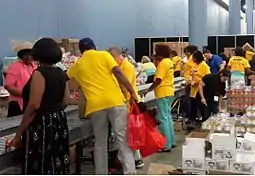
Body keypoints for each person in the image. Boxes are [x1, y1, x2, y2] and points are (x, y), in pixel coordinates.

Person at [66, 38, 137, 175]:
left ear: (81, 51)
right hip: (115, 102)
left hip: (96, 106)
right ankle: (130, 172)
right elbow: (118, 72)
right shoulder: (104, 55)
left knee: (100, 143)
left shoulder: (78, 64)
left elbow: (66, 79)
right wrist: (132, 92)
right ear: (95, 46)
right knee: (122, 139)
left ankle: (101, 173)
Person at [8, 38, 70, 174]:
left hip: (41, 124)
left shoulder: (39, 73)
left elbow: (34, 105)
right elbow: (65, 101)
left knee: (41, 163)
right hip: (59, 122)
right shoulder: (61, 73)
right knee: (56, 159)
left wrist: (19, 134)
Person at [107, 47, 144, 169]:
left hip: (127, 104)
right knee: (129, 134)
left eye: (112, 58)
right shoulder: (122, 66)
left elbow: (125, 86)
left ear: (117, 56)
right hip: (125, 103)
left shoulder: (126, 67)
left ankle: (132, 161)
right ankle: (134, 159)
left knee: (126, 136)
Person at [142, 44, 175, 152]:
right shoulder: (169, 61)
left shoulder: (162, 64)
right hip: (169, 91)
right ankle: (171, 141)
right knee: (168, 117)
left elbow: (158, 80)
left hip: (163, 92)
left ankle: (166, 145)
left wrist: (148, 90)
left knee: (163, 118)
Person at [5, 47, 37, 117]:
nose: (28, 57)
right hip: (17, 104)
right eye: (25, 55)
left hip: (32, 103)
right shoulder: (15, 67)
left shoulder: (34, 66)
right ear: (21, 57)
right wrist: (25, 95)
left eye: (30, 55)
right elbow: (8, 86)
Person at [188, 50, 210, 130]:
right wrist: (190, 81)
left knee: (202, 107)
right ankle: (192, 122)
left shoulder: (204, 66)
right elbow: (191, 74)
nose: (192, 59)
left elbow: (207, 78)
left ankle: (205, 123)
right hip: (193, 90)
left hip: (200, 90)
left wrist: (197, 83)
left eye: (193, 57)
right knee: (193, 107)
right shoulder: (194, 65)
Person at [182, 45, 198, 129]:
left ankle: (190, 119)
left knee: (189, 101)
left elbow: (191, 71)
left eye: (186, 52)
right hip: (191, 81)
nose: (186, 54)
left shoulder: (192, 59)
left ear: (189, 52)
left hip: (190, 82)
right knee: (191, 101)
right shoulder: (193, 59)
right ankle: (192, 118)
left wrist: (188, 81)